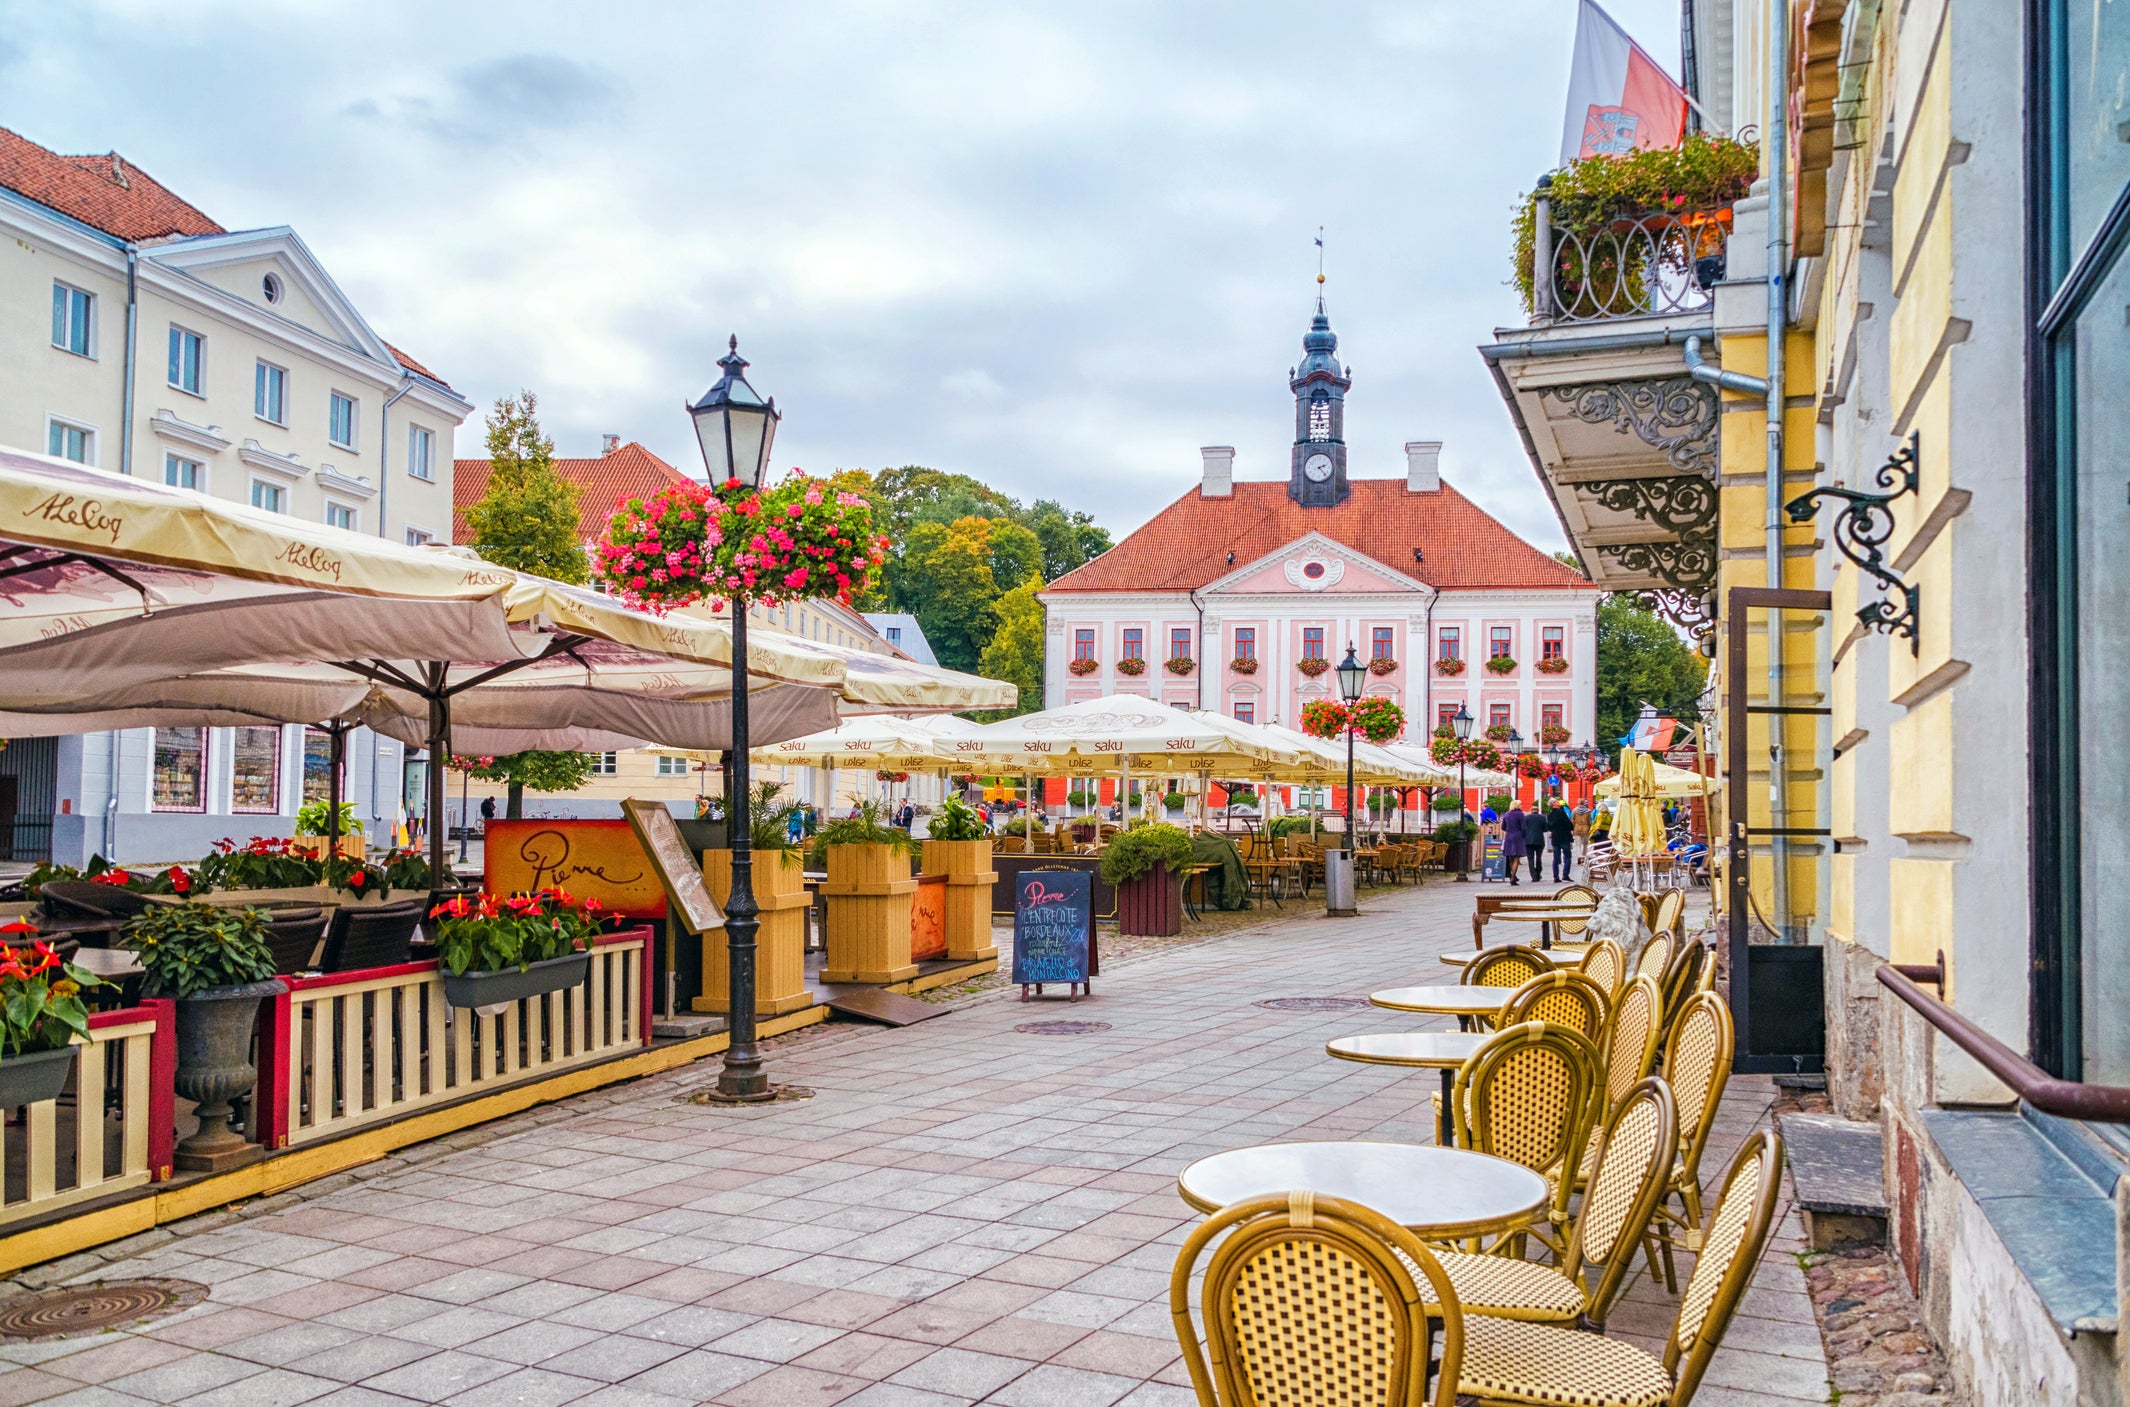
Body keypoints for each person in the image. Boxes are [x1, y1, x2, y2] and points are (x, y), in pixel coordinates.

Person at [1547, 798, 1575, 881]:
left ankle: (1556, 876)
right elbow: (1568, 823)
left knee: (1556, 857)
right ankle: (1565, 874)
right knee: (1567, 856)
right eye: (1556, 801)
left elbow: (1549, 826)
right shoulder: (1561, 812)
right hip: (1564, 836)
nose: (1558, 802)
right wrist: (1571, 827)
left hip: (1555, 837)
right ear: (1553, 804)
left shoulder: (1550, 815)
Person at [1520, 803, 1548, 883]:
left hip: (1528, 840)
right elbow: (1546, 829)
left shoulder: (1526, 818)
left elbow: (1523, 829)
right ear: (1538, 811)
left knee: (1530, 859)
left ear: (1531, 811)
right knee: (1539, 858)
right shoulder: (1542, 818)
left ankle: (1533, 876)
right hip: (1539, 840)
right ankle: (1538, 873)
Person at [1500, 802, 1527, 885]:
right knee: (1516, 858)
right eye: (1521, 804)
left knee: (1511, 857)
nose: (1522, 805)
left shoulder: (1507, 814)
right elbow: (1523, 827)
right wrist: (1523, 835)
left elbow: (1503, 827)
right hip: (1517, 836)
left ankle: (1513, 876)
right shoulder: (1520, 814)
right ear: (1517, 805)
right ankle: (1513, 877)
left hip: (1509, 836)